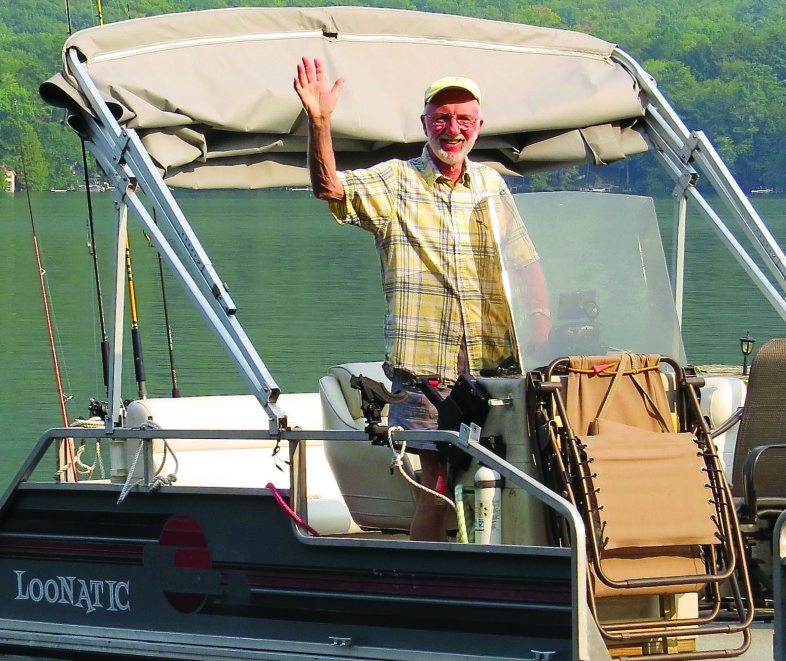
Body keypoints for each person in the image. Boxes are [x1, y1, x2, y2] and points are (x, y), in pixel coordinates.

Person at [294, 57, 550, 541]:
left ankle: (504, 574)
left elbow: (524, 259)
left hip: (494, 366)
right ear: (425, 123)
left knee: (513, 478)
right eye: (442, 118)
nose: (452, 130)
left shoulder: (492, 185)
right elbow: (329, 188)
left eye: (463, 120)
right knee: (436, 486)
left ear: (478, 127)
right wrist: (320, 121)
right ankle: (427, 582)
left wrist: (540, 320)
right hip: (424, 371)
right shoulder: (396, 181)